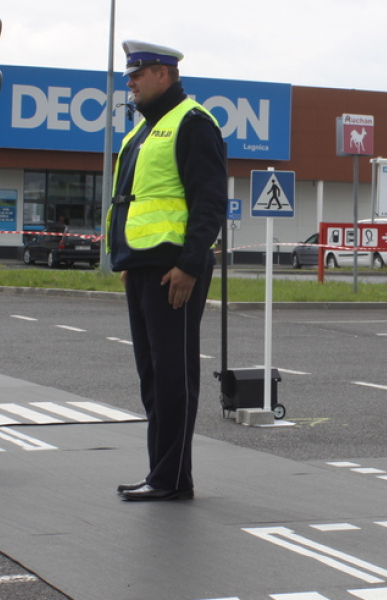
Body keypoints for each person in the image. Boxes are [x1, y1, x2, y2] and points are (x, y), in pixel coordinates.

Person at [107, 40, 227, 501]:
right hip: (143, 268)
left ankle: (172, 478)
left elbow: (209, 202)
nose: (130, 83)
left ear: (164, 74)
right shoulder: (142, 132)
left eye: (137, 74)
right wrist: (126, 259)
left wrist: (189, 265)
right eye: (129, 75)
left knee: (174, 376)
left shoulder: (192, 124)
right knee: (153, 376)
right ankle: (161, 472)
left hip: (173, 271)